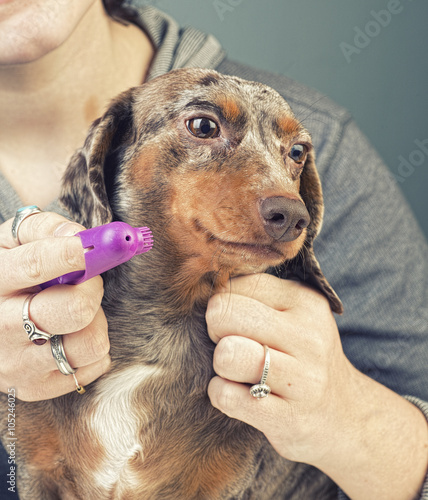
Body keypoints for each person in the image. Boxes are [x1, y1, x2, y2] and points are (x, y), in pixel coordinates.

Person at [0, 2, 427, 499]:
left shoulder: (329, 143)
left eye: (292, 155)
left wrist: (348, 413)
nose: (286, 206)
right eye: (204, 128)